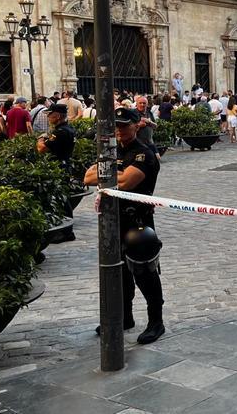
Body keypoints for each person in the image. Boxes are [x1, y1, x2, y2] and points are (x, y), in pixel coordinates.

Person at [84, 107, 164, 345]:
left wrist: (111, 174)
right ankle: (125, 317)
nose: (119, 129)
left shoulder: (144, 153)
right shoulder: (112, 150)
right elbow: (87, 177)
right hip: (114, 221)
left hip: (138, 223)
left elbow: (128, 182)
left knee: (145, 273)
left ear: (136, 124)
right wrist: (115, 174)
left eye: (124, 125)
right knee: (120, 273)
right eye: (116, 125)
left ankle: (156, 322)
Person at [37, 103, 77, 242]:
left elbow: (41, 149)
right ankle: (65, 230)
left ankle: (66, 232)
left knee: (61, 200)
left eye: (50, 114)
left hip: (59, 166)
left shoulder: (60, 132)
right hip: (64, 165)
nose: (48, 117)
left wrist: (41, 139)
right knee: (62, 198)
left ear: (58, 116)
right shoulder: (68, 128)